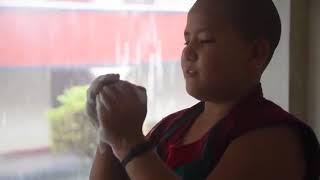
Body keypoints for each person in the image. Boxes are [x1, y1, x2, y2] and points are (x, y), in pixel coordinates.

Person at [86, 0, 320, 179]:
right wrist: (108, 134)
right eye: (187, 41)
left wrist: (131, 144)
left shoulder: (274, 137)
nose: (188, 52)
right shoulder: (171, 127)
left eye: (205, 40)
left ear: (256, 53)